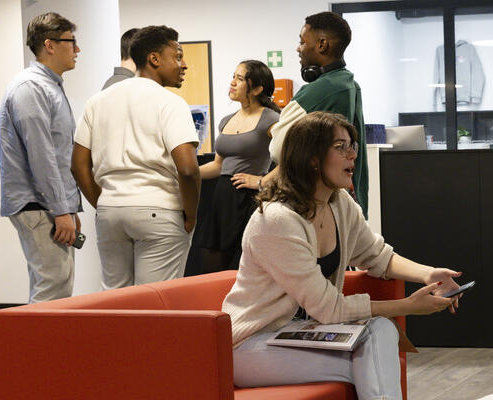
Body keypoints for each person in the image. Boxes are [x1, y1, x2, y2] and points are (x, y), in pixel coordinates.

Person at [223, 111, 462, 400]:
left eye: (353, 146)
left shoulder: (339, 203)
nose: (352, 155)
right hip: (251, 345)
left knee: (380, 333)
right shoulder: (277, 220)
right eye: (341, 147)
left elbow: (376, 255)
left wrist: (428, 274)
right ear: (311, 158)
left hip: (301, 333)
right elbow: (329, 309)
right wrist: (408, 305)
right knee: (370, 352)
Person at [72, 25, 200, 289]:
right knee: (155, 304)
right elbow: (188, 170)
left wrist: (105, 202)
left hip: (110, 212)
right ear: (154, 59)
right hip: (159, 211)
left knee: (116, 302)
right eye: (177, 56)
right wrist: (191, 214)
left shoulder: (97, 101)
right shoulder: (171, 103)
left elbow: (77, 166)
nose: (183, 64)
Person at [0, 12, 83, 303]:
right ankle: (36, 350)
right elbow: (41, 156)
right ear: (50, 44)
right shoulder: (30, 88)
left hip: (49, 205)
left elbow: (57, 155)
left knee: (58, 286)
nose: (77, 49)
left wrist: (69, 209)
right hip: (39, 205)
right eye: (72, 42)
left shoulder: (48, 86)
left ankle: (47, 349)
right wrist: (61, 210)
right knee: (52, 288)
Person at [266, 12, 368, 216]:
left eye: (302, 42)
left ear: (322, 44)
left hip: (315, 202)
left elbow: (278, 149)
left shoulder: (320, 90)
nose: (298, 48)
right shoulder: (348, 84)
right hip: (343, 201)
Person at [190, 60, 281, 274]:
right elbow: (217, 165)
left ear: (257, 88)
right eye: (233, 77)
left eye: (239, 79)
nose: (232, 83)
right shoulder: (226, 120)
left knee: (243, 268)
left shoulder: (272, 120)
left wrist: (262, 180)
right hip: (222, 200)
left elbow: (292, 160)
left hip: (249, 200)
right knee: (212, 268)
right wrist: (186, 174)